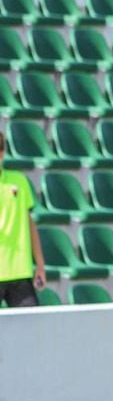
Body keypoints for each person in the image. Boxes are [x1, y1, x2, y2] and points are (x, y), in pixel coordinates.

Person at [0, 131, 46, 307]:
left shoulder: (19, 181)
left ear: (2, 153)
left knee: (32, 333)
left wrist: (40, 265)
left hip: (20, 274)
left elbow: (29, 224)